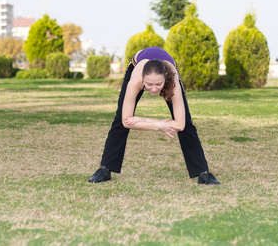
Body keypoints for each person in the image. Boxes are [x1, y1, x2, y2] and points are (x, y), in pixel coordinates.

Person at [89, 46, 220, 185]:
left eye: (158, 84)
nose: (154, 89)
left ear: (165, 79)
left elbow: (180, 124)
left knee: (187, 123)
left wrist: (144, 120)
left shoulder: (172, 82)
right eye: (149, 84)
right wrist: (158, 125)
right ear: (143, 79)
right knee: (119, 119)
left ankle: (203, 173)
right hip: (137, 63)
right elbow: (126, 121)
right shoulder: (135, 80)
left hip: (168, 70)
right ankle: (104, 169)